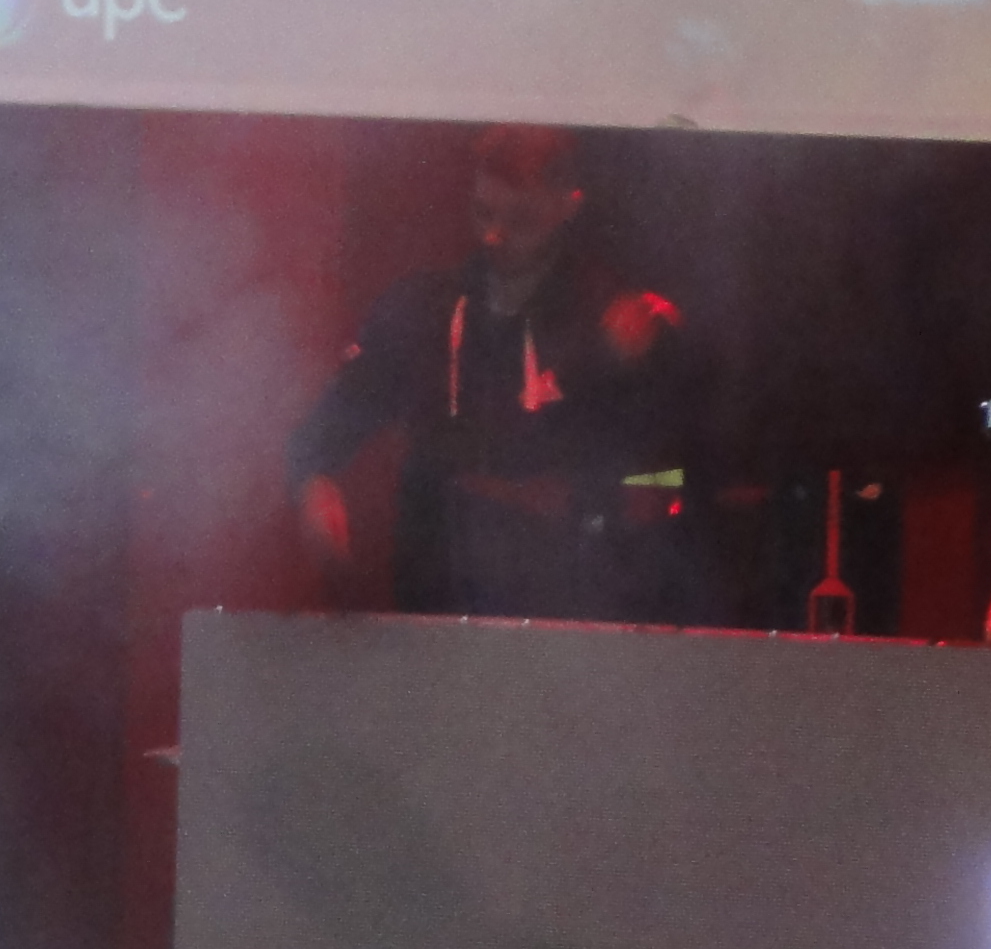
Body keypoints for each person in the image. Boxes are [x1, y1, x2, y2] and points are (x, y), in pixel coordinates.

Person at [289, 125, 701, 623]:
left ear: (567, 205)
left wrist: (579, 497)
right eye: (483, 212)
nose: (494, 236)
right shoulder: (422, 311)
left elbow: (672, 483)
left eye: (521, 219)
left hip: (568, 610)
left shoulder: (615, 321)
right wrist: (315, 488)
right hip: (435, 605)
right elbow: (321, 434)